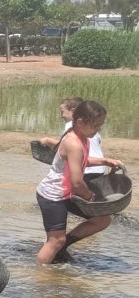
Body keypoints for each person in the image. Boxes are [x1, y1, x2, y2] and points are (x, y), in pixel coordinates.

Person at [35, 100, 123, 264]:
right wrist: (91, 197)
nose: (98, 129)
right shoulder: (74, 142)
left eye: (100, 125)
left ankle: (62, 247)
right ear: (80, 122)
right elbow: (77, 183)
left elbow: (80, 161)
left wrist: (103, 161)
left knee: (102, 220)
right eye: (96, 125)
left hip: (67, 194)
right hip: (53, 196)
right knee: (55, 240)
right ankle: (41, 280)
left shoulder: (83, 138)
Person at [38, 96, 107, 177]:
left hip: (86, 169)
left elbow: (67, 147)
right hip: (99, 168)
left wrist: (48, 140)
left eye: (62, 112)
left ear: (73, 111)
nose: (61, 116)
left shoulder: (71, 127)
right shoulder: (91, 125)